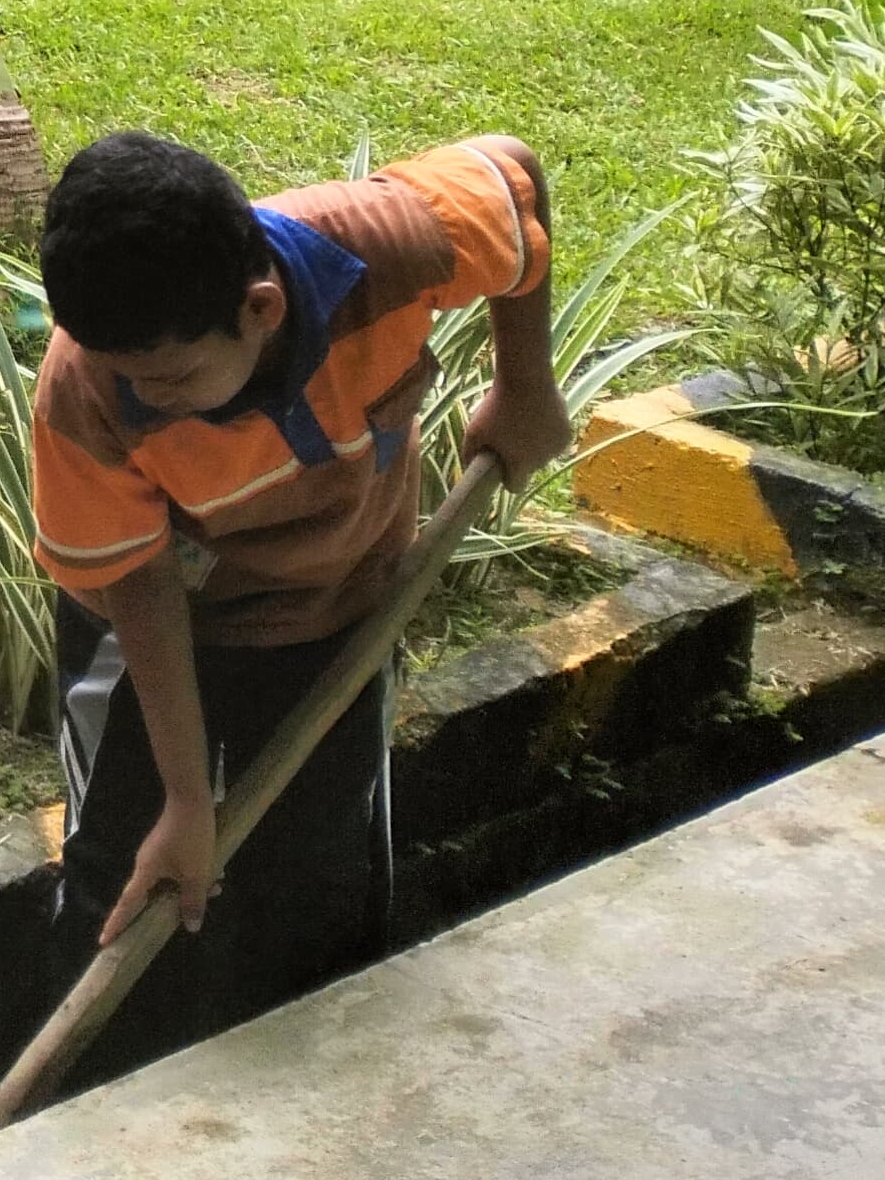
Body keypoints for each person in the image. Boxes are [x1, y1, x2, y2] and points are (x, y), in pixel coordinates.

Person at [28, 127, 562, 1076]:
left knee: (315, 868)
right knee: (133, 870)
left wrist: (525, 389)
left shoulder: (387, 245)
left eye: (171, 379)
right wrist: (189, 802)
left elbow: (512, 180)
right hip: (156, 633)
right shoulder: (86, 392)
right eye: (126, 377)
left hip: (336, 604)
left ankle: (296, 1098)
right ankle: (110, 1110)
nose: (145, 400)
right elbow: (140, 589)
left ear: (261, 307)